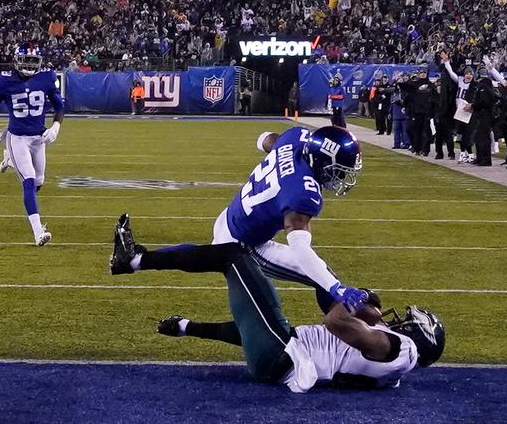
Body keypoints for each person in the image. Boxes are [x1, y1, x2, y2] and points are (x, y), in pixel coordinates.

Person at [110, 225, 445, 392]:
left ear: (417, 335)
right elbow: (253, 332)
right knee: (264, 319)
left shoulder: (402, 349)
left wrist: (354, 301)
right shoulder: (395, 373)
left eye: (406, 321)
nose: (397, 321)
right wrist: (188, 327)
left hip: (282, 358)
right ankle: (184, 325)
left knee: (232, 254)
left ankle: (135, 260)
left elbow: (334, 322)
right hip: (281, 355)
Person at [112, 126, 369, 314]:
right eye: (337, 171)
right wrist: (336, 288)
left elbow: (265, 140)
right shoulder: (303, 194)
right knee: (325, 278)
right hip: (246, 244)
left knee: (207, 254)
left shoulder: (295, 137)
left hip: (231, 215)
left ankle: (134, 260)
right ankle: (354, 336)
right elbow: (301, 249)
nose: (338, 179)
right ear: (320, 160)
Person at [0, 43, 64, 247]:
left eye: (33, 61)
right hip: (18, 138)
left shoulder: (47, 78)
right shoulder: (5, 80)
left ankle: (9, 159)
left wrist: (55, 127)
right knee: (29, 181)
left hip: (39, 138)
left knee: (38, 182)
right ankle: (38, 232)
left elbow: (59, 106)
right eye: (26, 60)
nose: (30, 65)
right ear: (16, 60)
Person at [440, 52, 475, 163]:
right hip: (459, 110)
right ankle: (464, 154)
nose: (468, 75)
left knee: (466, 134)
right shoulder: (460, 80)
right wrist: (446, 62)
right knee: (460, 135)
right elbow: (451, 72)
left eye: (470, 74)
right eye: (467, 73)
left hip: (468, 111)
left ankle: (469, 154)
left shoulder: (474, 85)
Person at [402, 66, 437, 156]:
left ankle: (425, 150)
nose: (423, 74)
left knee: (426, 132)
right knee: (413, 130)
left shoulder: (431, 85)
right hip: (416, 112)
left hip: (427, 112)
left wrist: (433, 111)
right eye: (421, 72)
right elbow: (405, 90)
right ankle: (417, 148)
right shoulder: (414, 84)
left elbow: (436, 98)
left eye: (424, 72)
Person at [465, 67, 496, 166]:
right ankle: (480, 158)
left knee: (483, 137)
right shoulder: (486, 85)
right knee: (479, 137)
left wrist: (473, 105)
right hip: (482, 114)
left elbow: (484, 101)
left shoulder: (484, 86)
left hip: (484, 115)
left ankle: (485, 160)